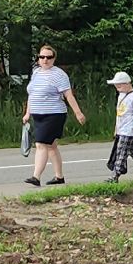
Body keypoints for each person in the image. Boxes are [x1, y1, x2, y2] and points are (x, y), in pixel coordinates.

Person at [22, 45, 86, 186]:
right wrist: (27, 113)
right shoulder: (36, 72)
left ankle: (36, 177)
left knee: (41, 144)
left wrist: (78, 112)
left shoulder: (59, 74)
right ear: (38, 58)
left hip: (54, 114)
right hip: (38, 115)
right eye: (42, 57)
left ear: (54, 59)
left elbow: (68, 95)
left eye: (49, 57)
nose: (45, 60)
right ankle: (59, 177)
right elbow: (32, 94)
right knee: (51, 146)